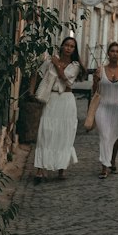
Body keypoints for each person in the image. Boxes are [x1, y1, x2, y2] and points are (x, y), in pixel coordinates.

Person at [33, 37, 81, 183]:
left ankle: (61, 168)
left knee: (64, 133)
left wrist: (57, 64)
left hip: (66, 101)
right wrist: (31, 91)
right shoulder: (50, 61)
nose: (68, 48)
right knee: (46, 131)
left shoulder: (75, 65)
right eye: (66, 45)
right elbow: (37, 73)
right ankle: (40, 169)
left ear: (74, 50)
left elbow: (64, 77)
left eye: (72, 46)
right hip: (52, 99)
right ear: (62, 46)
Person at [88, 40, 118, 179]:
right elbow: (96, 91)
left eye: (117, 51)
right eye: (112, 51)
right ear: (108, 53)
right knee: (105, 136)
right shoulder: (101, 70)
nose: (115, 53)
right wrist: (95, 81)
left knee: (115, 137)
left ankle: (112, 161)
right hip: (103, 108)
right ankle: (104, 167)